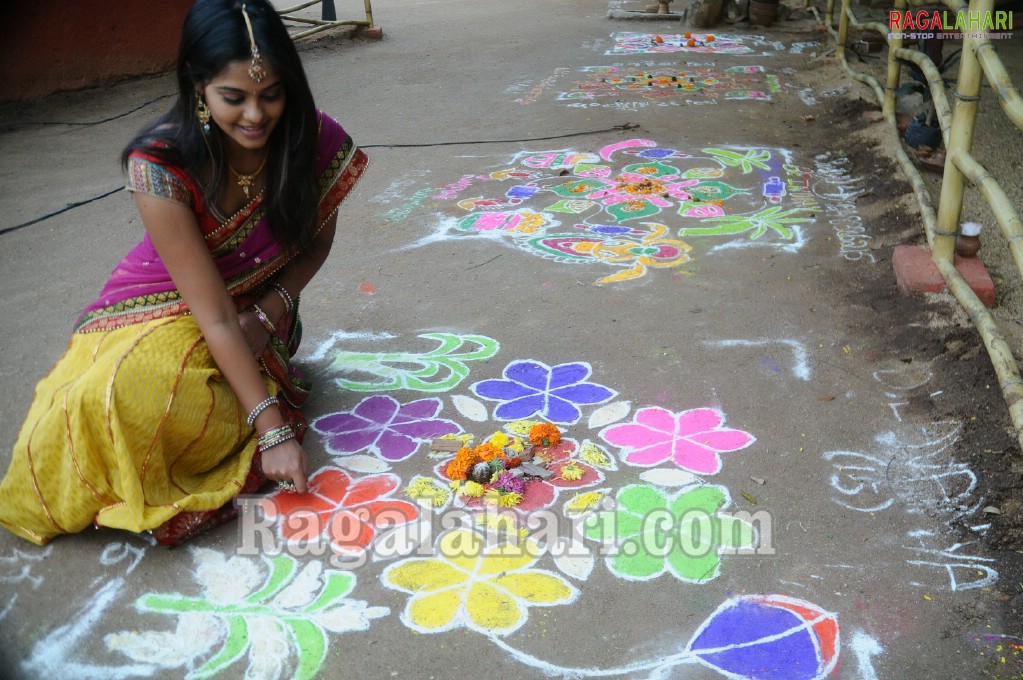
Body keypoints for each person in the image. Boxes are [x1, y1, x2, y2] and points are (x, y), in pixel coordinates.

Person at [0, 0, 367, 547]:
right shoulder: (161, 162)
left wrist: (269, 314)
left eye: (271, 95)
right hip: (170, 306)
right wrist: (273, 430)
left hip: (258, 312)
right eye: (233, 97)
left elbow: (313, 249)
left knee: (171, 396)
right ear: (198, 85)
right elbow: (213, 313)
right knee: (108, 396)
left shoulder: (312, 139)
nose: (255, 116)